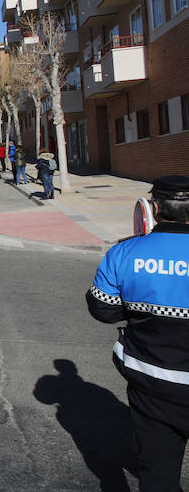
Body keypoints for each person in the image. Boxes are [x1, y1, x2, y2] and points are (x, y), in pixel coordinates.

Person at [86, 176, 189, 491]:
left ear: (154, 208)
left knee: (158, 473)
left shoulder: (124, 253)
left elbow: (102, 309)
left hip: (153, 383)